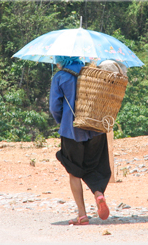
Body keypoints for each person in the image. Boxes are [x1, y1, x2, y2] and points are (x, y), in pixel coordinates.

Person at [49, 56, 111, 225]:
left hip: (72, 131)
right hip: (96, 127)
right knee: (95, 164)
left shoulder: (60, 77)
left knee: (74, 170)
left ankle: (82, 214)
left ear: (61, 59)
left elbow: (54, 107)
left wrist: (64, 122)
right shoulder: (92, 73)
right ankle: (98, 194)